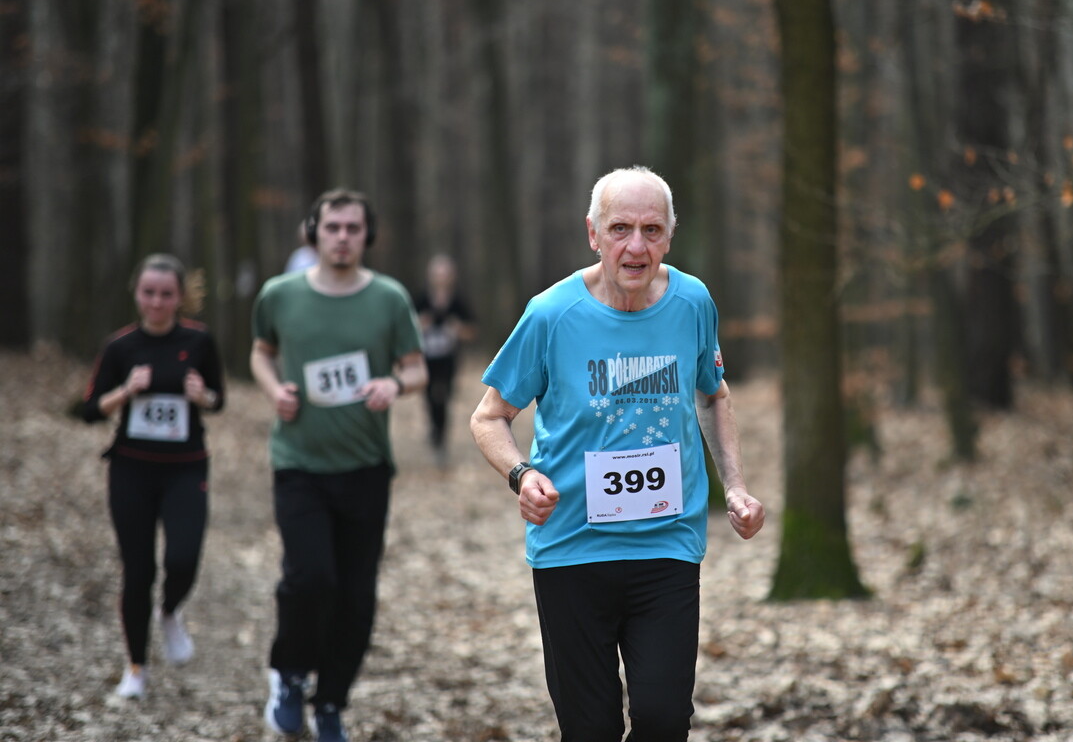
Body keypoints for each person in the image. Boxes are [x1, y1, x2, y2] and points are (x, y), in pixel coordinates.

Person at [470, 166, 765, 741]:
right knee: (590, 730)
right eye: (621, 228)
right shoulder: (551, 314)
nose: (636, 246)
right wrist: (520, 473)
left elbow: (713, 394)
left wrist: (734, 485)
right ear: (593, 234)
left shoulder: (692, 302)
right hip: (571, 550)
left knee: (662, 720)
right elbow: (489, 417)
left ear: (670, 236)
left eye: (652, 230)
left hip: (667, 544)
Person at [250, 188, 427, 742]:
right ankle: (289, 674)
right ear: (314, 233)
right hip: (299, 462)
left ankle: (329, 703)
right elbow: (261, 350)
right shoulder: (279, 295)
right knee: (310, 577)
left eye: (353, 228)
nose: (343, 237)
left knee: (355, 595)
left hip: (366, 466)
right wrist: (273, 387)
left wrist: (393, 383)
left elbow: (418, 369)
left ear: (366, 236)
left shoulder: (390, 299)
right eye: (333, 228)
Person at [82, 253, 225, 700]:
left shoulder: (200, 341)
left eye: (166, 294)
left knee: (183, 558)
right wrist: (125, 390)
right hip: (132, 469)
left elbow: (220, 400)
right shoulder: (120, 347)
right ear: (137, 294)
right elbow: (88, 410)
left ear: (181, 297)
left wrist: (203, 396)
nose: (157, 302)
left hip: (186, 468)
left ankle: (170, 611)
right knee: (138, 569)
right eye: (149, 293)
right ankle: (136, 669)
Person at [414, 254, 475, 465]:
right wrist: (422, 324)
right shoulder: (421, 298)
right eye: (437, 274)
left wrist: (458, 329)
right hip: (427, 358)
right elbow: (409, 326)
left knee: (445, 396)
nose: (441, 278)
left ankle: (441, 435)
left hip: (449, 359)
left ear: (452, 277)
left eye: (445, 274)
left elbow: (472, 330)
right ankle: (434, 430)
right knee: (430, 396)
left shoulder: (458, 301)